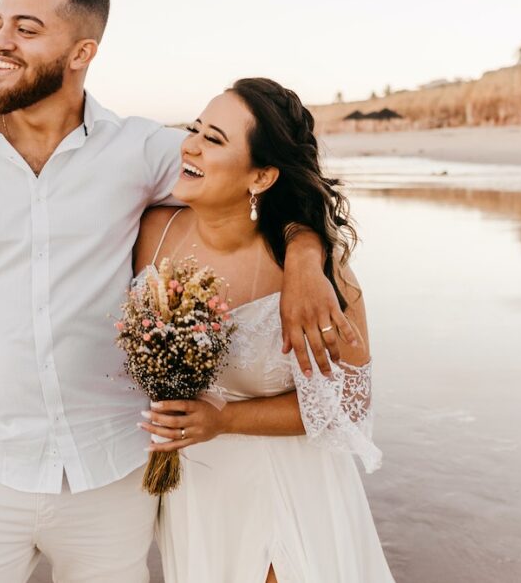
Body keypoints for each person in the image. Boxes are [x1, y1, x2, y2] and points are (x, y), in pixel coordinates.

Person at [0, 0, 350, 581]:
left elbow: (255, 182)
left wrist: (303, 255)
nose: (1, 42)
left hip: (110, 474)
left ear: (82, 52)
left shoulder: (139, 149)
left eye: (27, 29)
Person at [131, 78, 394, 582]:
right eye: (194, 128)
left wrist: (225, 419)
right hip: (196, 493)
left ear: (261, 176)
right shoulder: (152, 232)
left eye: (214, 139)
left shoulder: (319, 278)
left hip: (286, 488)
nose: (189, 145)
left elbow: (349, 405)